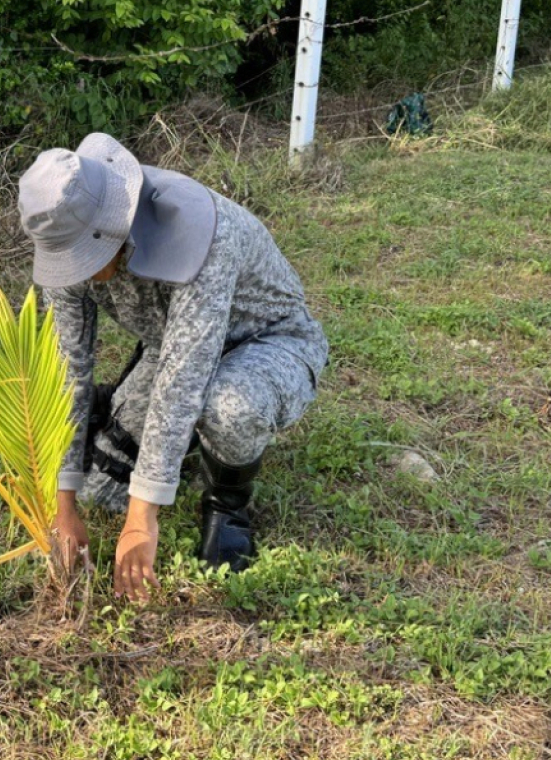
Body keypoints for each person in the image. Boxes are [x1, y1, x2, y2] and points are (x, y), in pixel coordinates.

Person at [18, 133, 328, 603]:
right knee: (105, 492)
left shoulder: (201, 231)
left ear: (111, 226)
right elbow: (68, 369)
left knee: (228, 406)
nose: (76, 270)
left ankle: (228, 507)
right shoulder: (64, 234)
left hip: (267, 340)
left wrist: (143, 521)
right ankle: (139, 424)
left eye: (85, 255)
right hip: (171, 343)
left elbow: (185, 377)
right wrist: (63, 505)